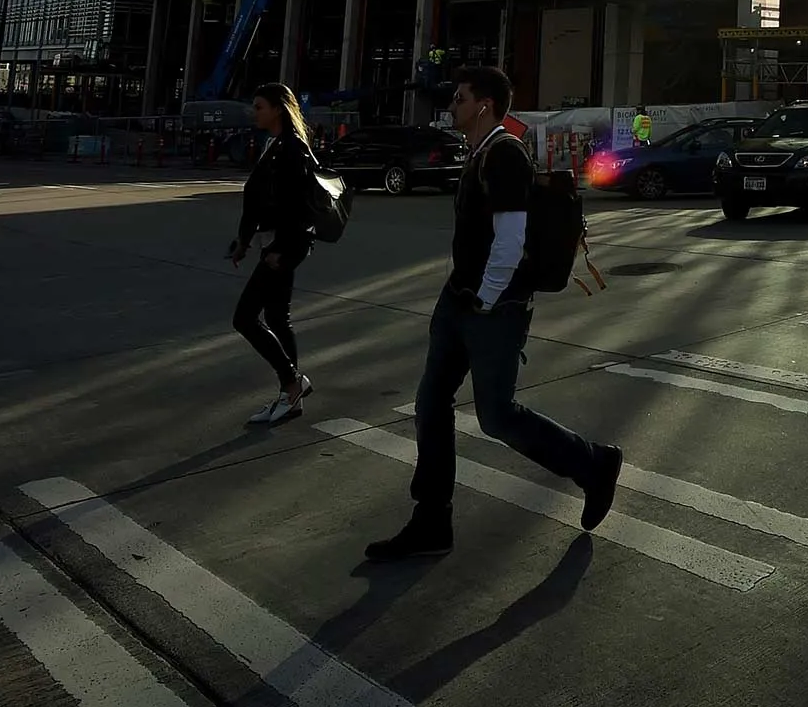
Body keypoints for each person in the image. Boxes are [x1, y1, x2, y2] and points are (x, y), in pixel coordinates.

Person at [366, 66, 622, 561]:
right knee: (430, 405)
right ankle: (431, 521)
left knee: (497, 416)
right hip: (459, 301)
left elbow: (510, 240)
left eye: (460, 98)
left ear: (483, 105)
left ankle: (593, 464)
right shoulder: (479, 152)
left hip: (492, 307)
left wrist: (483, 298)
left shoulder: (504, 154)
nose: (452, 105)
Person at [228, 83, 318, 426]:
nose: (255, 112)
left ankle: (292, 382)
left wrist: (283, 251)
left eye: (260, 106)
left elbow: (300, 208)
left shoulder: (294, 149)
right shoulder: (274, 145)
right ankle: (291, 396)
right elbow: (257, 200)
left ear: (278, 109)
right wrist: (243, 240)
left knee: (245, 318)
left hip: (284, 248)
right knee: (278, 318)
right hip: (272, 244)